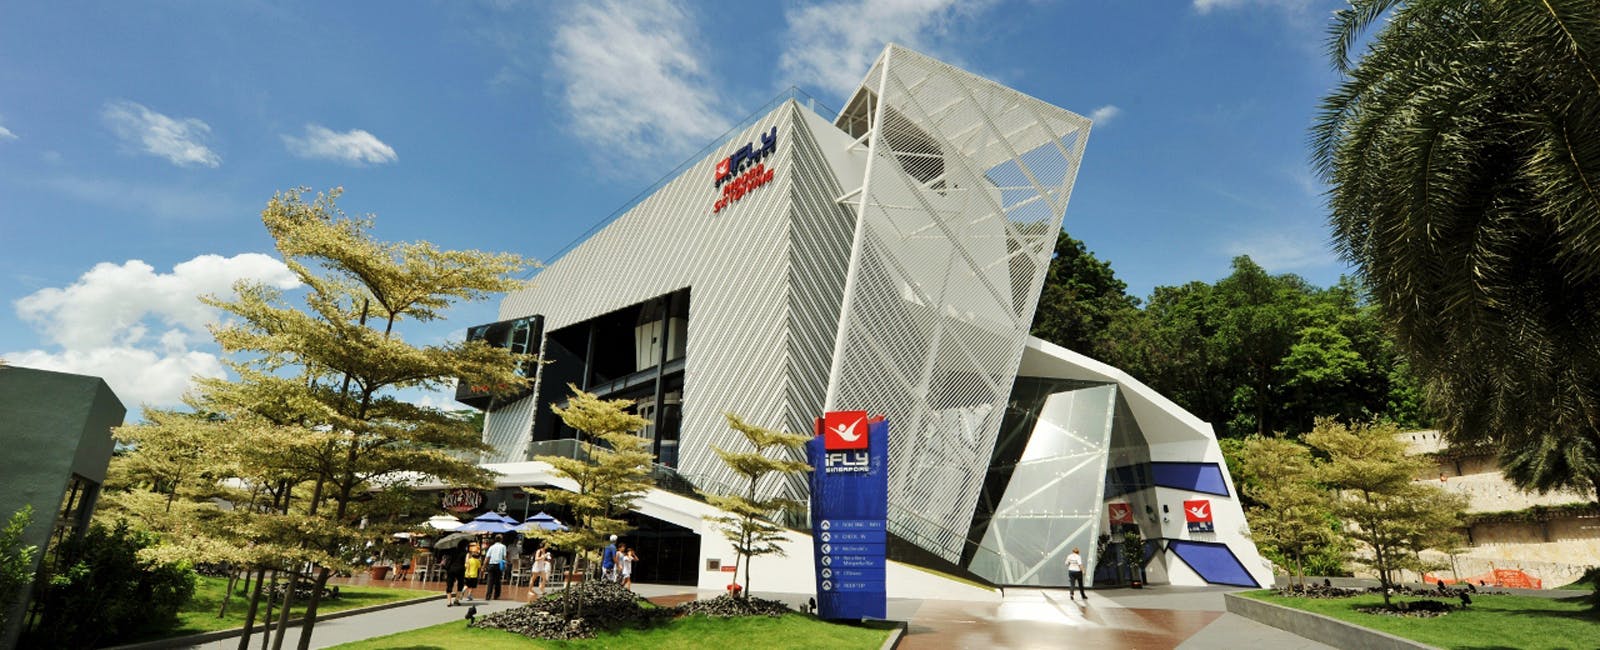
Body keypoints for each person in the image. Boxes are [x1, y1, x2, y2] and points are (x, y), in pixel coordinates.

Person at [485, 534, 508, 600]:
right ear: (501, 539)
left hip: (491, 564)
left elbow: (487, 557)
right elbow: (504, 556)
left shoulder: (491, 547)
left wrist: (484, 566)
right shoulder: (503, 547)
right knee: (497, 580)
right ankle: (496, 595)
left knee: (490, 581)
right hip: (499, 564)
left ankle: (488, 595)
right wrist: (505, 564)